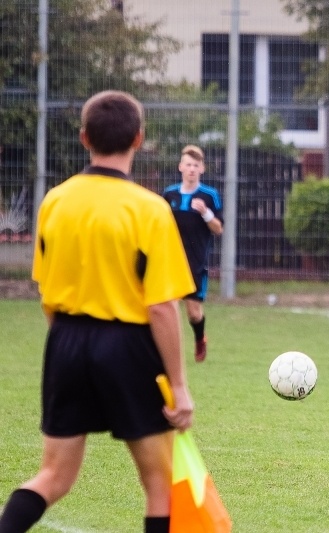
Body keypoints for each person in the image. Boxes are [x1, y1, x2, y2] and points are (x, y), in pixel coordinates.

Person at [0, 90, 196, 533]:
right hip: (127, 346)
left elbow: (46, 291)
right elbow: (162, 306)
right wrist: (179, 387)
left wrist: (71, 341)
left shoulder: (55, 200)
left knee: (54, 476)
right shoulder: (149, 209)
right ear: (140, 139)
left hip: (65, 339)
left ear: (85, 138)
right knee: (159, 485)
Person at [162, 145, 223, 362]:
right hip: (170, 260)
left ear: (202, 169)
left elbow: (219, 229)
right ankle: (165, 351)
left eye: (196, 165)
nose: (191, 169)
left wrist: (206, 214)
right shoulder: (169, 194)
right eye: (188, 164)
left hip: (195, 262)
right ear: (180, 167)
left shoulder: (209, 196)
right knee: (165, 307)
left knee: (194, 312)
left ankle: (200, 339)